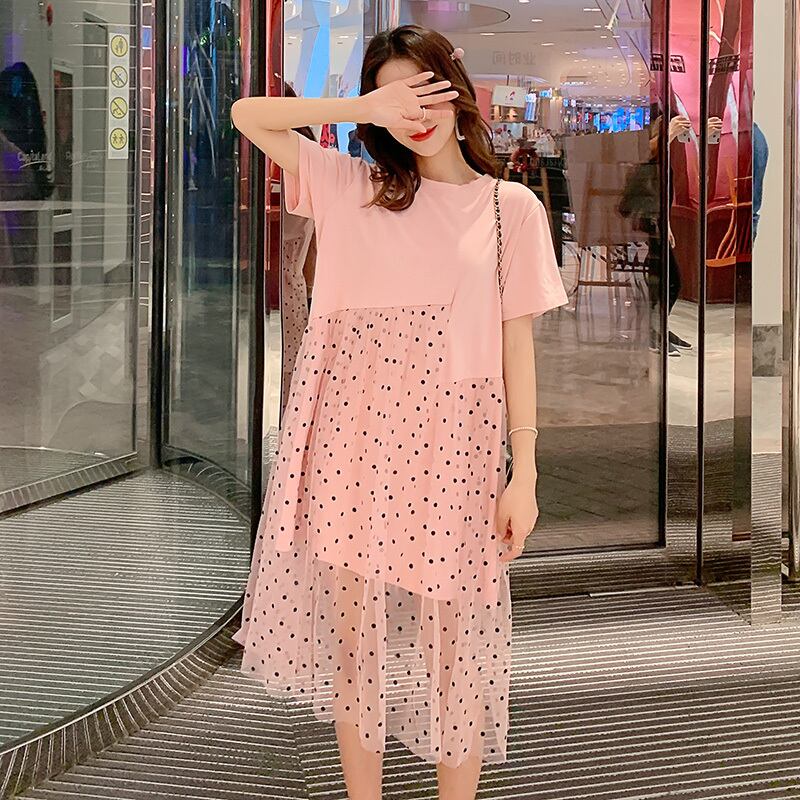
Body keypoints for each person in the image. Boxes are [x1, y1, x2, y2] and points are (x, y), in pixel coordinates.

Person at [230, 24, 568, 800]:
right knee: (358, 647)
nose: (414, 114)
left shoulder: (509, 207)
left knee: (458, 646)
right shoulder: (350, 185)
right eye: (396, 99)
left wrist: (525, 472)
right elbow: (249, 115)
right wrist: (360, 107)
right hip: (350, 441)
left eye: (426, 91)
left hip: (457, 443)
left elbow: (518, 349)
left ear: (458, 92)